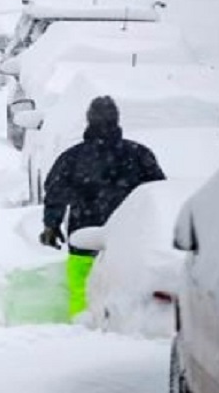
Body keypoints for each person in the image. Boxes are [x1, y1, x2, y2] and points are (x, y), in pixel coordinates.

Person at [39, 96, 166, 319]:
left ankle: (80, 327)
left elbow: (55, 192)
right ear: (117, 120)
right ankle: (125, 329)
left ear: (88, 120)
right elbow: (157, 194)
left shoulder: (73, 158)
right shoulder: (138, 155)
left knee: (81, 289)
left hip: (83, 236)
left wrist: (52, 225)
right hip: (127, 240)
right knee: (124, 290)